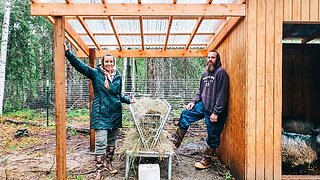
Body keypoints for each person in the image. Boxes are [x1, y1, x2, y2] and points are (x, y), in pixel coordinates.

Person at [64, 45, 136, 179]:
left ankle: (108, 163)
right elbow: (80, 66)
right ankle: (99, 170)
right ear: (102, 63)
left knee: (112, 141)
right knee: (100, 142)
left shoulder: (118, 77)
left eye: (111, 61)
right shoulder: (96, 73)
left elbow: (118, 95)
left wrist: (128, 100)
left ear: (113, 63)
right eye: (106, 61)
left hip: (115, 113)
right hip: (101, 113)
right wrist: (68, 53)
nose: (109, 63)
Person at [172, 50, 229, 170]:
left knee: (213, 134)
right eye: (208, 57)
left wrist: (216, 112)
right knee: (186, 114)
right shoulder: (205, 74)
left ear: (217, 60)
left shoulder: (221, 73)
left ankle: (207, 159)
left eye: (213, 57)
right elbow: (200, 91)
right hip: (203, 105)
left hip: (215, 110)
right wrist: (193, 102)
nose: (210, 59)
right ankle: (173, 144)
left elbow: (222, 95)